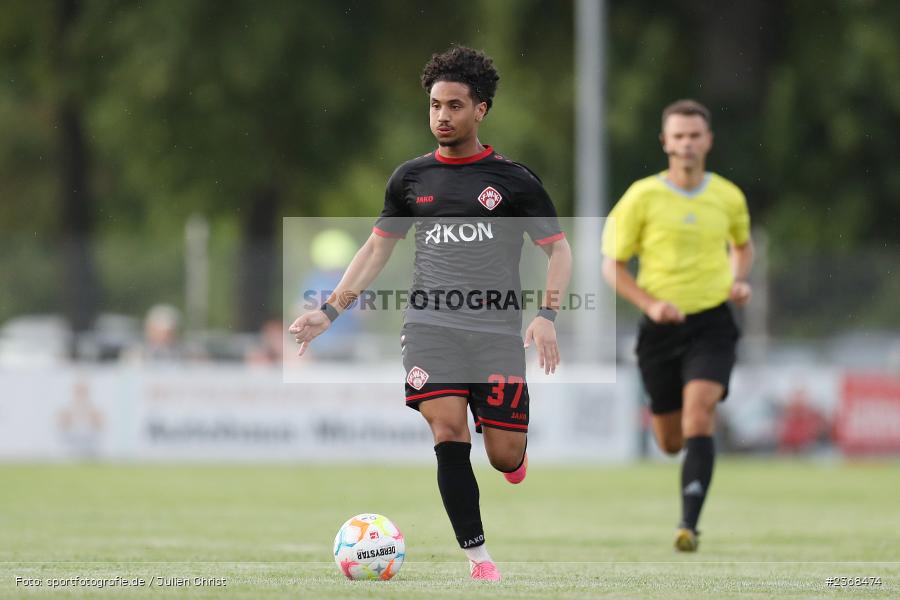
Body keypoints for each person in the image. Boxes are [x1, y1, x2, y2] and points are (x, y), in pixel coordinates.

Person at [289, 46, 571, 581]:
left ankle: (506, 444)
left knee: (504, 456)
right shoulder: (410, 180)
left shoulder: (513, 181)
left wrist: (547, 315)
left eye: (455, 105)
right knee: (448, 430)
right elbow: (376, 250)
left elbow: (558, 249)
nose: (442, 115)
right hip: (428, 328)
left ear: (480, 109)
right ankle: (479, 559)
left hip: (495, 332)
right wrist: (329, 312)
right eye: (436, 105)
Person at [601, 99, 754, 552]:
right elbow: (613, 266)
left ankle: (688, 525)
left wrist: (738, 280)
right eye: (679, 136)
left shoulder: (728, 195)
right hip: (660, 330)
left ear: (708, 141)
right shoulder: (642, 196)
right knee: (669, 441)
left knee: (699, 413)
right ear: (666, 142)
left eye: (695, 136)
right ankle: (672, 439)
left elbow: (742, 247)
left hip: (712, 323)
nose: (687, 144)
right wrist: (651, 305)